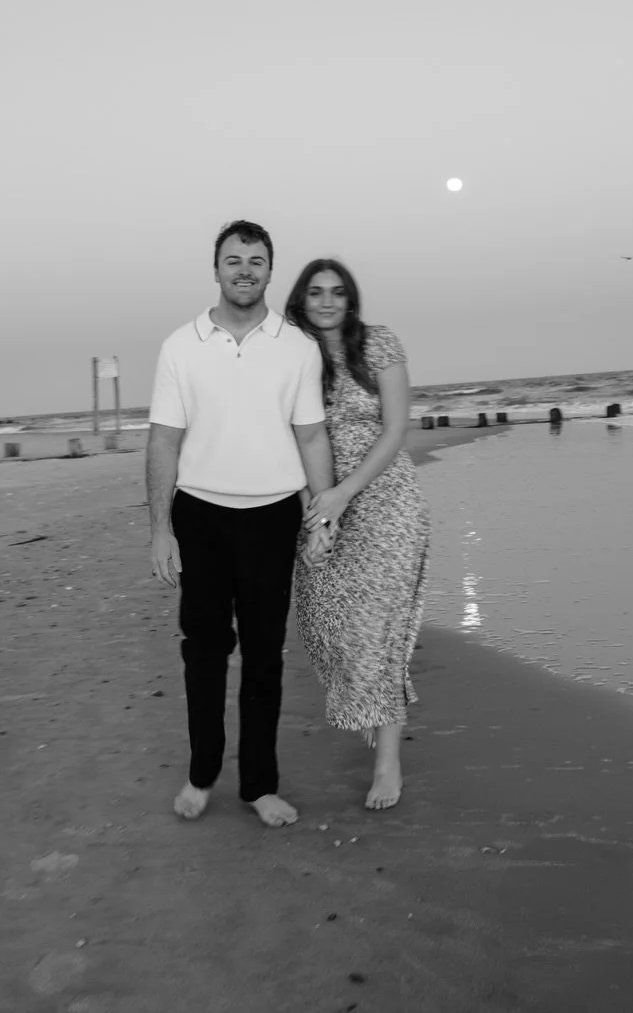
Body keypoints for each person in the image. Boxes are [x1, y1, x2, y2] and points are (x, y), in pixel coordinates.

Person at [146, 219, 337, 829]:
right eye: (234, 260)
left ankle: (259, 785)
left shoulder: (297, 348)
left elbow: (310, 434)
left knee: (264, 656)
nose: (245, 270)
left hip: (273, 517)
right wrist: (159, 529)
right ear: (217, 268)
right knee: (203, 652)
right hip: (199, 514)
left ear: (271, 270)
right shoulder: (181, 346)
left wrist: (324, 511)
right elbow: (163, 440)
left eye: (256, 260)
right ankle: (203, 775)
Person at [285, 257, 431, 810]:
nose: (327, 301)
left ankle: (388, 761)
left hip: (386, 500)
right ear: (301, 299)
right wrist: (317, 509)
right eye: (316, 292)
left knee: (378, 633)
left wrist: (345, 494)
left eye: (338, 292)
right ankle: (372, 703)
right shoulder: (290, 356)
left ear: (351, 299)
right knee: (328, 624)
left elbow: (396, 429)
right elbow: (289, 439)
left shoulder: (379, 344)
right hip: (315, 497)